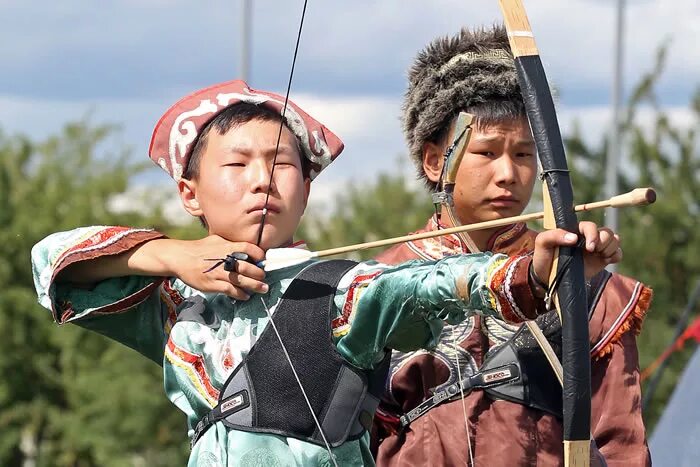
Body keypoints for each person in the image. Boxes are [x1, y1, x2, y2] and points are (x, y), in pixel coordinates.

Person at [31, 80, 621, 467]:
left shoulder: (342, 287)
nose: (263, 180)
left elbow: (430, 285)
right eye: (237, 164)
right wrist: (172, 256)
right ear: (189, 192)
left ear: (306, 189)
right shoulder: (175, 304)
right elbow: (52, 263)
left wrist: (537, 270)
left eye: (283, 164)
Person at [371, 25, 652, 466]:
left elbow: (621, 445)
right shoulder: (374, 286)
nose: (508, 173)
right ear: (433, 161)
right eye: (487, 152)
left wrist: (571, 278)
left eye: (523, 154)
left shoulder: (590, 286)